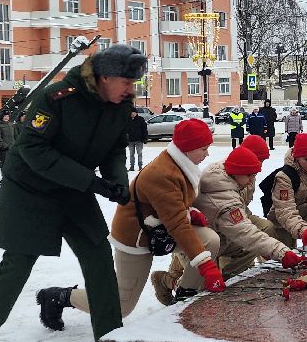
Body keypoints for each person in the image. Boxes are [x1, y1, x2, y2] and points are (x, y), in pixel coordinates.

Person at [0, 43, 145, 342]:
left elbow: (115, 149)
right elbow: (33, 149)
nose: (132, 89)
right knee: (19, 261)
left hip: (74, 189)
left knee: (98, 256)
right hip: (30, 188)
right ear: (104, 77)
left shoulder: (119, 105)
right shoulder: (58, 97)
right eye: (127, 82)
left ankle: (110, 338)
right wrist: (91, 182)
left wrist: (116, 181)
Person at [37, 118, 221, 324]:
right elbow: (177, 224)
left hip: (160, 229)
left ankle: (184, 296)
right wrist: (206, 266)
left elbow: (176, 208)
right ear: (187, 148)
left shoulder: (183, 165)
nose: (207, 154)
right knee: (121, 305)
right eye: (203, 148)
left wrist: (190, 212)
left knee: (209, 240)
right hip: (136, 237)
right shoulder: (163, 174)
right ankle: (59, 297)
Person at [192, 143, 304, 280]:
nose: (252, 180)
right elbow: (245, 233)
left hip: (216, 233)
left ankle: (228, 279)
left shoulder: (224, 172)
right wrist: (281, 252)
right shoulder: (225, 199)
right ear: (237, 171)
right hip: (200, 246)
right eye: (250, 175)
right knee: (201, 286)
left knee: (251, 245)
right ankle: (180, 282)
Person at [261, 133, 307, 248]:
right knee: (286, 252)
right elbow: (285, 210)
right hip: (283, 219)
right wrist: (302, 230)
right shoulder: (285, 177)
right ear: (296, 157)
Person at [0, 110, 15, 183]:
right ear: (2, 117)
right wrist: (4, 146)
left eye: (7, 116)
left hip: (12, 147)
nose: (6, 118)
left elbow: (15, 136)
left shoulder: (11, 124)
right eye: (5, 116)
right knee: (4, 164)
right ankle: (5, 178)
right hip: (4, 149)